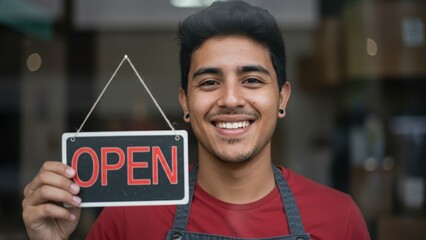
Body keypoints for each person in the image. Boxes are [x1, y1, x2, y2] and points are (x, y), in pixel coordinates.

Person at [22, 1, 371, 239]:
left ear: (282, 98)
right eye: (209, 82)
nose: (231, 99)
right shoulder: (128, 219)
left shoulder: (339, 218)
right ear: (185, 103)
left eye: (251, 80)